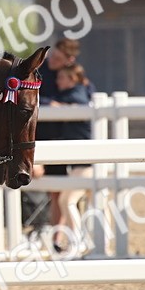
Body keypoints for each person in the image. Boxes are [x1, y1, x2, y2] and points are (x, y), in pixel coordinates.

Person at [45, 63, 94, 253]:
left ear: (72, 79)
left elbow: (76, 101)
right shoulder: (75, 95)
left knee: (66, 200)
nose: (58, 81)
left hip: (86, 164)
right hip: (82, 163)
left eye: (62, 78)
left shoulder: (76, 94)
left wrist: (53, 104)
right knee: (95, 201)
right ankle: (94, 243)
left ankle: (78, 241)